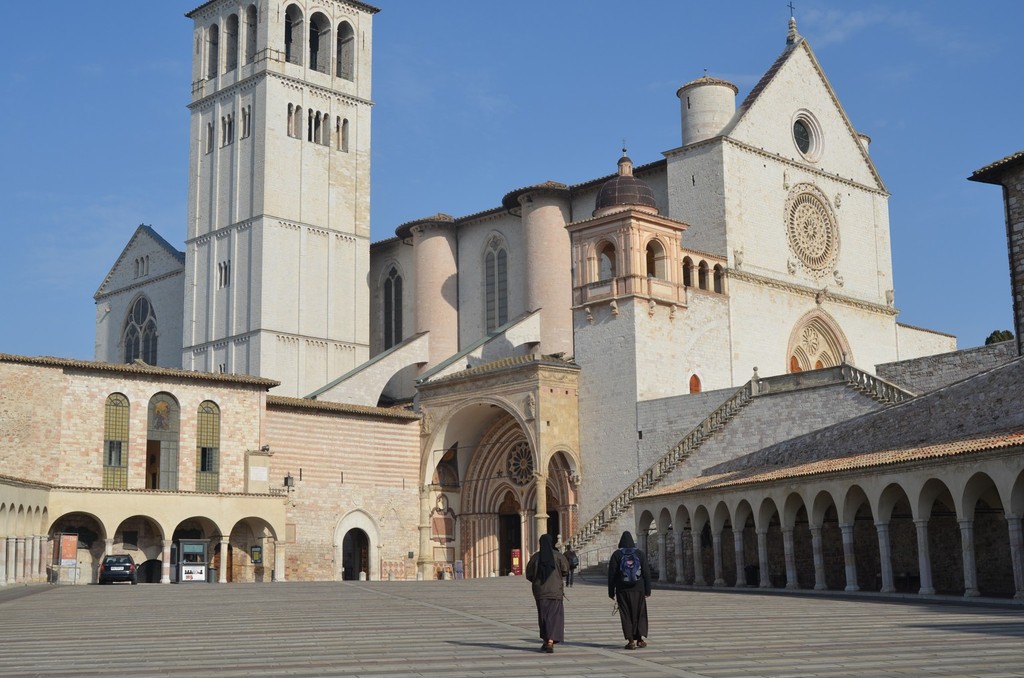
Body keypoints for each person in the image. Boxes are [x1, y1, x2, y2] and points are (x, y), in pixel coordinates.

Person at [525, 533, 569, 653]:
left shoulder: (535, 557)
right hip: (555, 591)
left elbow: (529, 574)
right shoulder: (558, 556)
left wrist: (538, 581)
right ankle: (550, 641)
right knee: (554, 616)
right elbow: (565, 570)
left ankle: (546, 640)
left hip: (540, 592)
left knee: (543, 616)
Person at [607, 531, 651, 650]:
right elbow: (646, 572)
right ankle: (640, 639)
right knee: (639, 613)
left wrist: (611, 592)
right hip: (639, 589)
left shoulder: (617, 554)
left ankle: (631, 641)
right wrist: (648, 590)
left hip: (622, 589)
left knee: (626, 614)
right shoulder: (639, 554)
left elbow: (611, 574)